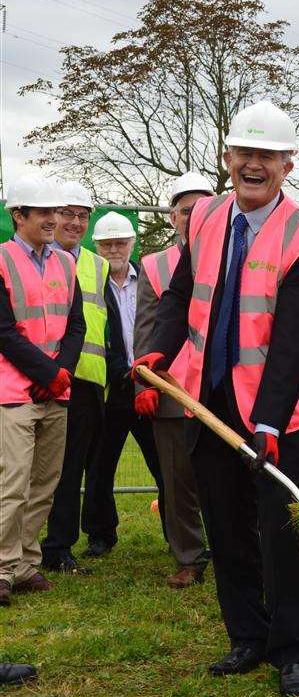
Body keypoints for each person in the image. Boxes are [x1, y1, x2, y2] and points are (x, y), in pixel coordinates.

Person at [133, 100, 299, 697]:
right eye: (244, 153)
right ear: (227, 159)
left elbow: (296, 343)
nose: (253, 165)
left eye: (265, 156)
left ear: (286, 164)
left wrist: (269, 423)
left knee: (281, 531)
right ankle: (246, 634)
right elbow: (178, 296)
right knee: (225, 524)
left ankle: (291, 647)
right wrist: (157, 352)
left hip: (278, 412)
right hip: (208, 400)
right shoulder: (208, 218)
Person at [0, 173, 85, 605]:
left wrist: (61, 374)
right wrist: (45, 375)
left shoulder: (67, 263)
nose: (54, 219)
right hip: (14, 391)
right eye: (45, 213)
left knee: (44, 483)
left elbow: (75, 326)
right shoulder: (0, 260)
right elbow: (3, 332)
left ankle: (25, 565)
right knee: (12, 483)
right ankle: (1, 567)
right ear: (19, 216)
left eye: (57, 211)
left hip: (56, 391)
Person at [134, 171, 213, 588]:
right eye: (186, 210)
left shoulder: (230, 253)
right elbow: (145, 331)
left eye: (202, 208)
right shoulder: (155, 265)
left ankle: (235, 545)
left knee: (223, 475)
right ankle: (189, 557)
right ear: (172, 217)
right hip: (169, 389)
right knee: (177, 478)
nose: (193, 217)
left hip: (219, 388)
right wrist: (143, 384)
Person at [81, 212, 166, 558]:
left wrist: (150, 373)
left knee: (166, 466)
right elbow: (93, 335)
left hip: (151, 386)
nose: (114, 249)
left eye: (120, 242)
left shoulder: (150, 278)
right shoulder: (89, 284)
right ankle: (101, 535)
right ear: (97, 247)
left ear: (133, 243)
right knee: (100, 465)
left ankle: (178, 534)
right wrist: (122, 371)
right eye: (106, 244)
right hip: (113, 388)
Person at [41, 182, 111, 575]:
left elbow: (105, 325)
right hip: (42, 377)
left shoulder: (97, 264)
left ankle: (58, 547)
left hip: (85, 382)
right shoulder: (38, 259)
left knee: (70, 471)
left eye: (83, 215)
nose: (75, 222)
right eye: (68, 213)